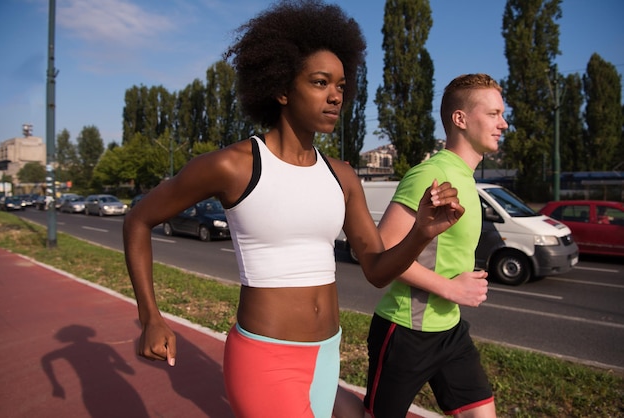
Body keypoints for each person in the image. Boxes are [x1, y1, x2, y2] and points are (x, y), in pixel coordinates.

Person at [123, 1, 464, 417]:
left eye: (341, 85)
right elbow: (138, 219)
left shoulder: (342, 177)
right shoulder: (233, 166)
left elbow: (375, 269)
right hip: (265, 358)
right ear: (282, 88)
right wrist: (151, 317)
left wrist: (422, 233)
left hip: (326, 354)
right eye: (321, 82)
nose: (336, 96)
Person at [364, 73, 508, 418]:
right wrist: (451, 288)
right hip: (406, 330)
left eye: (502, 114)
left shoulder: (465, 179)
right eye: (493, 114)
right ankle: (311, 389)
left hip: (449, 330)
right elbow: (382, 252)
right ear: (460, 119)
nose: (503, 123)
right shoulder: (431, 174)